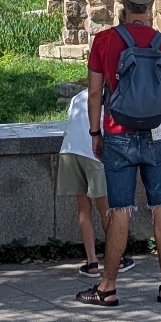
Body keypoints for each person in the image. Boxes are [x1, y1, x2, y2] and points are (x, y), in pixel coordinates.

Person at [76, 0, 161, 307]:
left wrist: (96, 132)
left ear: (123, 5)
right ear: (152, 7)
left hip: (118, 133)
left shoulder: (105, 40)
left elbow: (95, 94)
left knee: (120, 208)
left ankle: (107, 287)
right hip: (158, 132)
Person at [58, 88, 135, 278]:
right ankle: (117, 258)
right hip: (92, 153)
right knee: (106, 209)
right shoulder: (113, 97)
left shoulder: (79, 96)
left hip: (69, 151)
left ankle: (91, 262)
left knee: (83, 208)